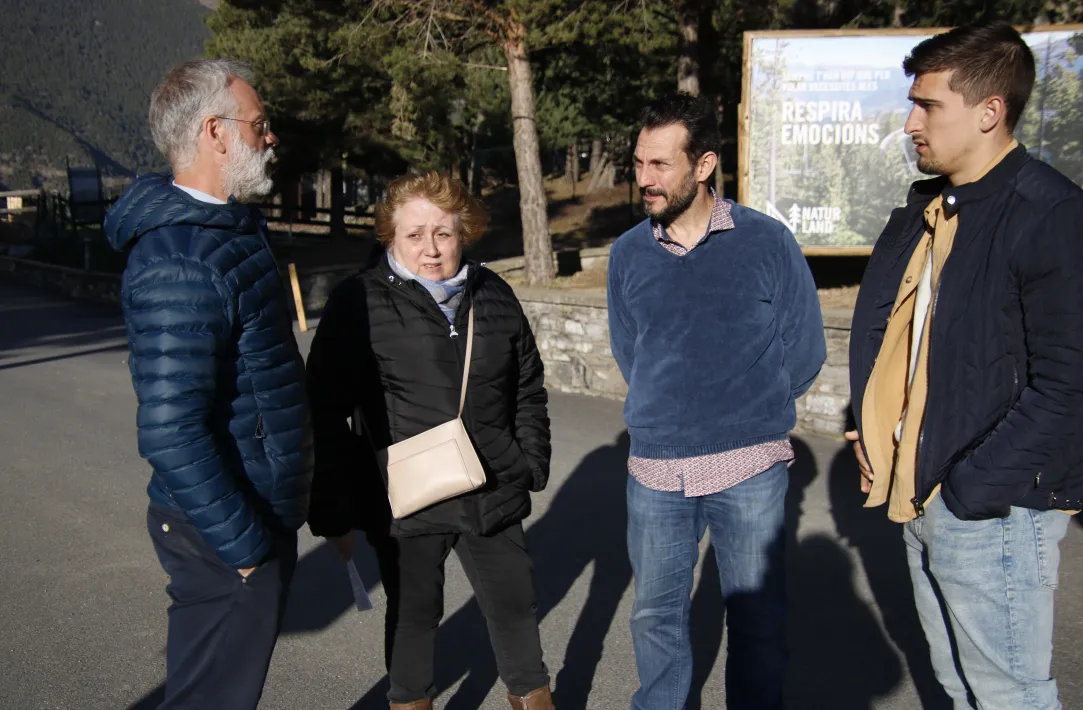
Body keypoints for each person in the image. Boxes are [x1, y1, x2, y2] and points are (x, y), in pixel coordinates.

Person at [846, 21, 1083, 709]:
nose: (910, 123)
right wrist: (877, 427)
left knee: (1010, 697)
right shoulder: (929, 210)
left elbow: (1075, 387)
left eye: (928, 106)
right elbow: (906, 341)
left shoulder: (1054, 215)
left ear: (990, 111)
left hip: (992, 509)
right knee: (961, 691)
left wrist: (969, 489)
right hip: (926, 489)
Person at [104, 59, 313, 709]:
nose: (271, 137)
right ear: (215, 132)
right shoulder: (180, 259)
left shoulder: (228, 228)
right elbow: (170, 429)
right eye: (260, 123)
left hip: (250, 505)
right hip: (222, 525)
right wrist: (244, 548)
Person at [607, 94, 826, 710]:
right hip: (656, 468)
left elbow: (805, 349)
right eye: (639, 163)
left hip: (749, 464)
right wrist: (666, 408)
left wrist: (749, 412)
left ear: (703, 165)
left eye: (660, 164)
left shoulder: (766, 242)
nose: (644, 178)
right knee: (655, 618)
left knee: (757, 622)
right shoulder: (627, 253)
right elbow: (631, 351)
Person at [306, 172, 555, 710]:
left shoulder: (494, 294)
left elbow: (527, 387)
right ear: (390, 236)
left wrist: (529, 462)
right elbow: (323, 408)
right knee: (414, 619)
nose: (431, 249)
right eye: (415, 234)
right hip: (406, 495)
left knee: (516, 607)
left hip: (492, 485)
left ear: (464, 232)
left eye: (443, 233)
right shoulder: (359, 301)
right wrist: (333, 508)